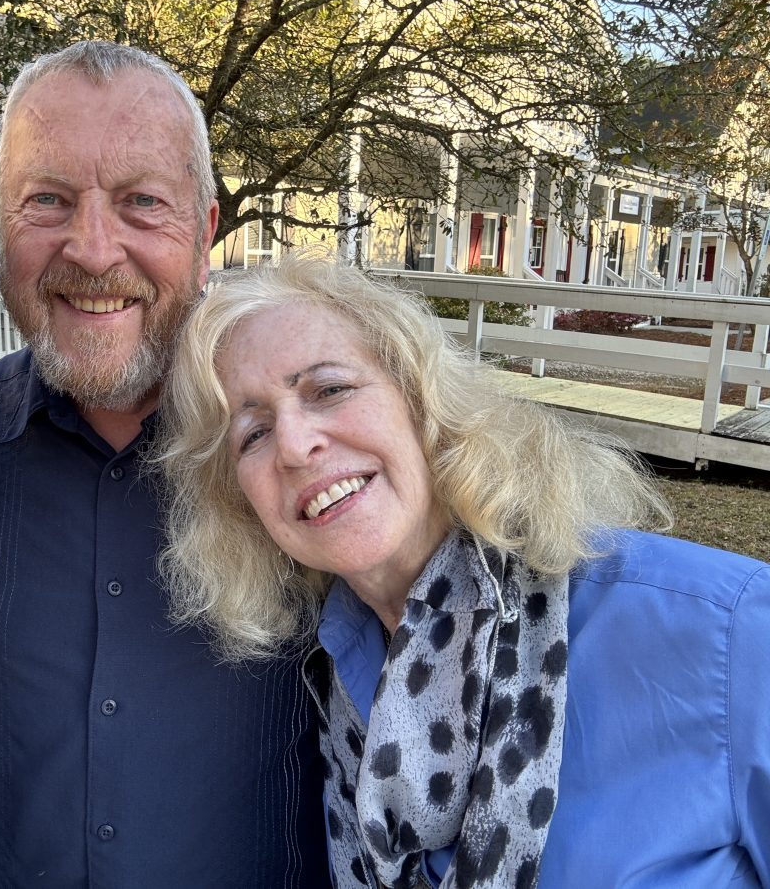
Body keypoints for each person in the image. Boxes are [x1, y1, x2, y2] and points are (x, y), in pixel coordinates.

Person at [157, 252, 770, 888]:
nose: (293, 444)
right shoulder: (326, 681)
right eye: (252, 434)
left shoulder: (727, 635)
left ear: (423, 400)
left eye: (330, 390)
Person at [0, 41, 330, 886]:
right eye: (48, 199)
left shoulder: (310, 455)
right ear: (1, 223)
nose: (93, 249)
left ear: (205, 232)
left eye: (142, 202)